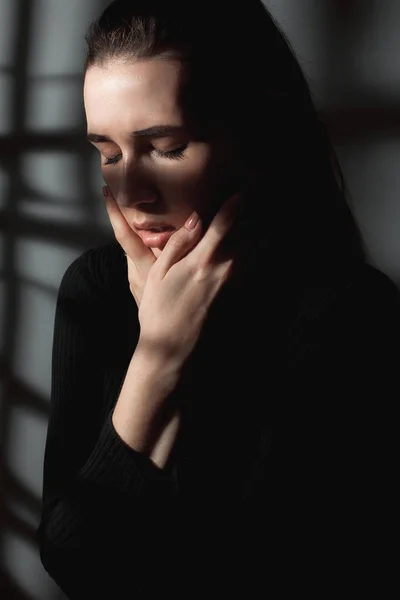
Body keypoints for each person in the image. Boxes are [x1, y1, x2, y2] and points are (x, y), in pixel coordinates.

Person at [36, 0, 400, 597]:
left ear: (251, 138)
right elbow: (71, 560)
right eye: (107, 153)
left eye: (166, 147)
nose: (132, 191)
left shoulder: (351, 313)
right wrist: (157, 358)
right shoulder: (95, 292)